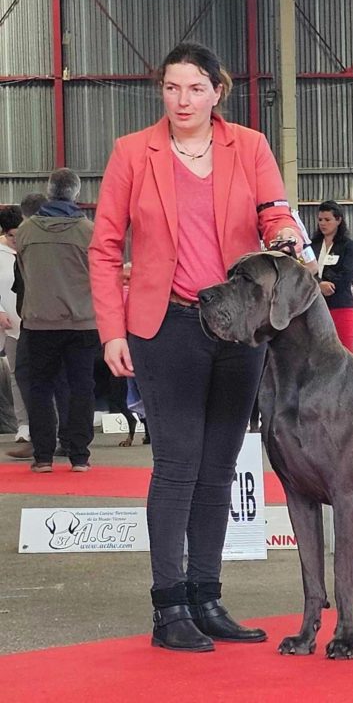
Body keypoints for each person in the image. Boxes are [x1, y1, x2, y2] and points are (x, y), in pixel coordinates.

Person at [89, 42, 309, 653]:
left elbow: (274, 213)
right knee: (179, 465)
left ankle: (206, 598)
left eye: (194, 89)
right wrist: (112, 330)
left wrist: (286, 234)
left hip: (239, 330)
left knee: (219, 467)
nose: (182, 100)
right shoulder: (133, 153)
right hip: (166, 326)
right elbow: (106, 248)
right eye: (171, 88)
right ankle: (169, 610)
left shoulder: (251, 147)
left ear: (218, 92)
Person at [15, 169, 99, 472]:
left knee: (40, 388)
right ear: (75, 194)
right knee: (81, 388)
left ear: (49, 192)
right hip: (83, 322)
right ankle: (79, 457)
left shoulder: (25, 231)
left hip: (39, 322)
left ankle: (43, 458)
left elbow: (24, 273)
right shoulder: (89, 232)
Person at [311, 200, 353, 351]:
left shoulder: (348, 246)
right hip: (314, 304)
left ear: (338, 220)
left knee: (344, 350)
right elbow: (305, 270)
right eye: (320, 220)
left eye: (327, 220)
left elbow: (347, 274)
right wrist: (319, 284)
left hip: (340, 304)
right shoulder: (312, 246)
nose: (323, 224)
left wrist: (329, 284)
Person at [0, 207, 27, 441]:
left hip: (34, 323)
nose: (15, 240)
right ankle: (23, 426)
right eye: (11, 236)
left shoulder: (30, 250)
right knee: (16, 377)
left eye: (20, 234)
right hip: (10, 327)